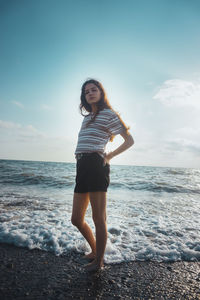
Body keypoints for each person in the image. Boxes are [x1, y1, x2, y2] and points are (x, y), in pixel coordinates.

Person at [71, 79, 134, 272]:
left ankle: (99, 261)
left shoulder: (109, 114)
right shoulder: (87, 117)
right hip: (82, 166)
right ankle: (95, 250)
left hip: (96, 165)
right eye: (86, 91)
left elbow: (129, 140)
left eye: (94, 89)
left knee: (99, 218)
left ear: (101, 92)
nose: (90, 93)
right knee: (76, 219)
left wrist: (111, 155)